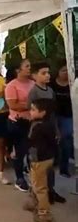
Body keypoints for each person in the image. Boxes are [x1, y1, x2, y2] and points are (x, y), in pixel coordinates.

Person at [28, 62, 66, 204]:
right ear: (34, 76)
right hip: (39, 134)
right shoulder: (34, 92)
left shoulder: (50, 91)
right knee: (38, 166)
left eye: (48, 72)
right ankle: (38, 195)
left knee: (50, 163)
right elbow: (30, 112)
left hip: (50, 130)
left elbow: (53, 113)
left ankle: (51, 190)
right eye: (43, 73)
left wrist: (56, 129)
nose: (47, 75)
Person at [23, 99, 57, 222]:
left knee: (40, 187)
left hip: (39, 160)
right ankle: (34, 203)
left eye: (33, 110)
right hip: (47, 158)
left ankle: (44, 214)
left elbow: (30, 142)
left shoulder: (38, 127)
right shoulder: (48, 124)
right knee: (35, 182)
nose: (30, 112)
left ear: (42, 113)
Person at [5, 59, 35, 192]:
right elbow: (13, 105)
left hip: (33, 122)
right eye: (26, 66)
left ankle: (32, 175)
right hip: (18, 123)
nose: (29, 68)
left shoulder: (33, 84)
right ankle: (19, 178)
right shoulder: (12, 86)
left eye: (30, 66)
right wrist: (30, 106)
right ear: (18, 70)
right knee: (20, 151)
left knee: (32, 151)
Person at [50, 61, 74, 178]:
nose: (65, 73)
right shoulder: (51, 85)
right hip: (53, 115)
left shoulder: (73, 83)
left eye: (67, 70)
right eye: (63, 70)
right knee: (52, 140)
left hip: (68, 116)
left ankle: (64, 167)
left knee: (66, 139)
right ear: (58, 72)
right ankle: (54, 161)